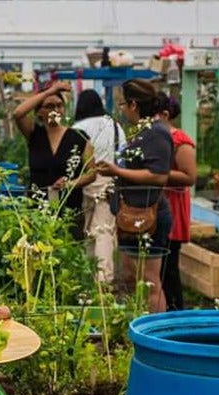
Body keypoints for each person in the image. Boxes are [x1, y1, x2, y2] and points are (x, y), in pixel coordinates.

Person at [95, 78, 173, 313]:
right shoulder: (143, 131)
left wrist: (117, 171)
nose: (122, 110)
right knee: (130, 277)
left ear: (133, 104)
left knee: (150, 282)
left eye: (122, 105)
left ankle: (156, 333)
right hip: (131, 216)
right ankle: (136, 324)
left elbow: (159, 176)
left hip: (149, 216)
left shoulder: (157, 133)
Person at [11, 81, 95, 239]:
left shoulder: (79, 137)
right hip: (37, 209)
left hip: (69, 209)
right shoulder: (35, 134)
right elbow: (18, 114)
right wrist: (50, 91)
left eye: (59, 105)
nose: (55, 110)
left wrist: (70, 183)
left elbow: (92, 173)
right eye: (49, 106)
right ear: (38, 112)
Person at [73, 89, 126, 282]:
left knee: (89, 229)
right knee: (104, 229)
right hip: (110, 180)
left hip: (86, 182)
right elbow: (122, 155)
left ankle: (90, 275)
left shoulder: (79, 127)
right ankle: (103, 278)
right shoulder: (115, 126)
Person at [157, 94, 196, 310]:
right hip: (157, 204)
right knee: (159, 267)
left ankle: (176, 310)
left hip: (172, 204)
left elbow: (189, 176)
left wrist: (156, 173)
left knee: (169, 266)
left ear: (165, 115)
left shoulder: (179, 140)